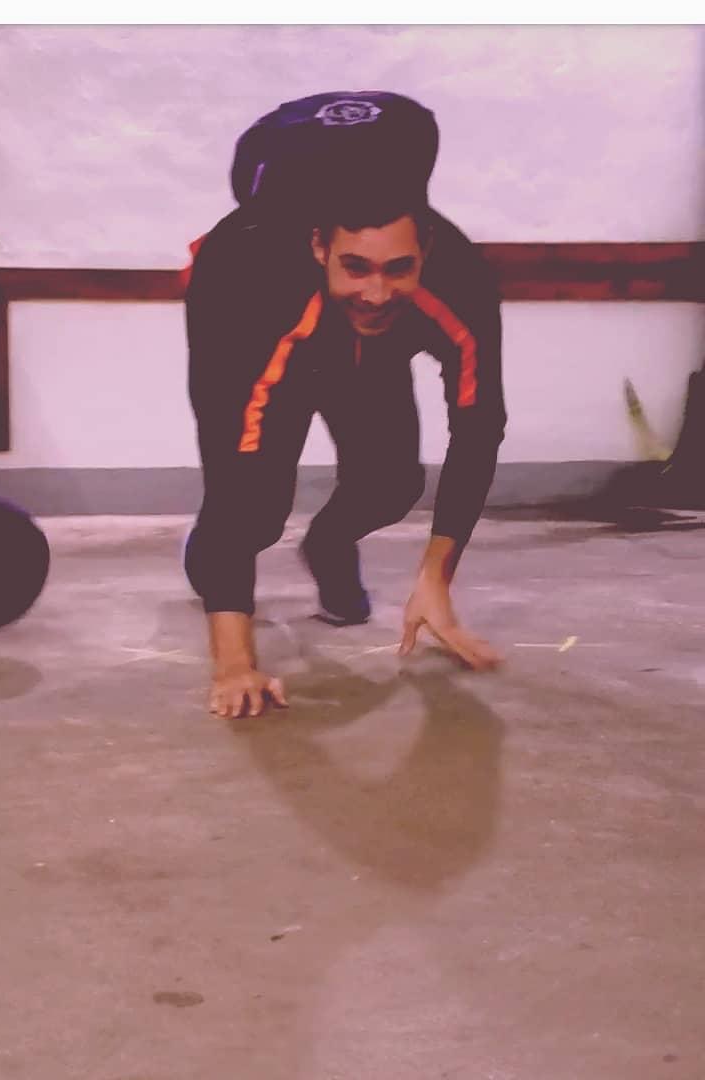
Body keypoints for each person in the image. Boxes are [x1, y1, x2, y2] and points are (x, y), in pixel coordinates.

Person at [183, 92, 508, 718]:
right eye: (355, 266)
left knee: (392, 484)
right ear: (318, 247)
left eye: (399, 268)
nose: (377, 292)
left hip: (370, 352)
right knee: (253, 512)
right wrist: (235, 664)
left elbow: (479, 426)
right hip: (267, 332)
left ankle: (328, 544)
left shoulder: (460, 281)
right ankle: (211, 566)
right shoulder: (246, 280)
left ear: (427, 248)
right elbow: (231, 467)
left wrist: (436, 579)